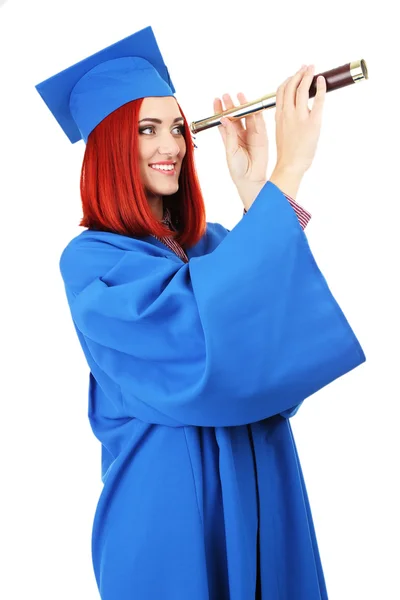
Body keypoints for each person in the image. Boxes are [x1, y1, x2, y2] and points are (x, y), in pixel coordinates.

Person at [35, 25, 366, 600]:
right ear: (112, 145)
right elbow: (195, 344)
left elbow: (275, 358)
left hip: (262, 486)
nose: (173, 146)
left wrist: (256, 191)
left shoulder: (214, 244)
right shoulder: (91, 260)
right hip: (169, 508)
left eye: (178, 128)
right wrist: (288, 176)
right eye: (146, 129)